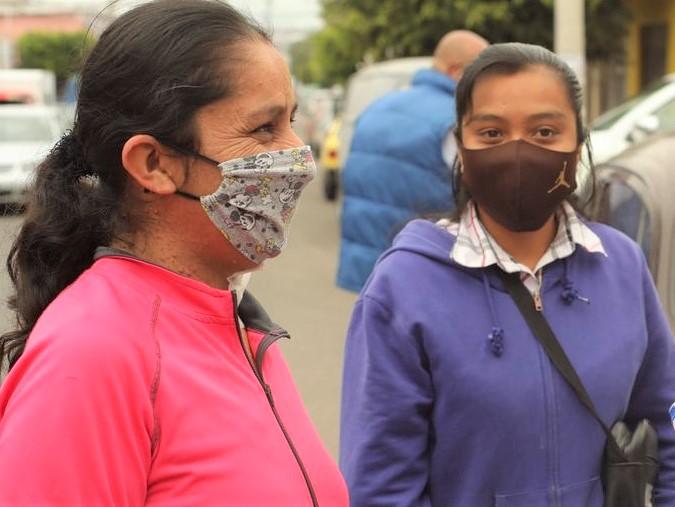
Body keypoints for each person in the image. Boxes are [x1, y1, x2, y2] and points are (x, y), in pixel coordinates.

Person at [0, 1, 348, 505]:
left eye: (291, 121)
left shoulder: (233, 319)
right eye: (264, 129)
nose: (301, 158)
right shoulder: (93, 355)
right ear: (154, 164)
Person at [340, 43, 675, 506]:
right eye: (492, 133)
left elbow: (665, 419)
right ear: (461, 146)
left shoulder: (620, 264)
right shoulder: (403, 287)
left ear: (578, 145)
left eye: (544, 130)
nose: (519, 152)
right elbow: (381, 484)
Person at [336, 30, 488, 292]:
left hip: (368, 267)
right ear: (456, 70)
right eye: (484, 75)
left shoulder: (378, 107)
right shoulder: (457, 120)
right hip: (426, 270)